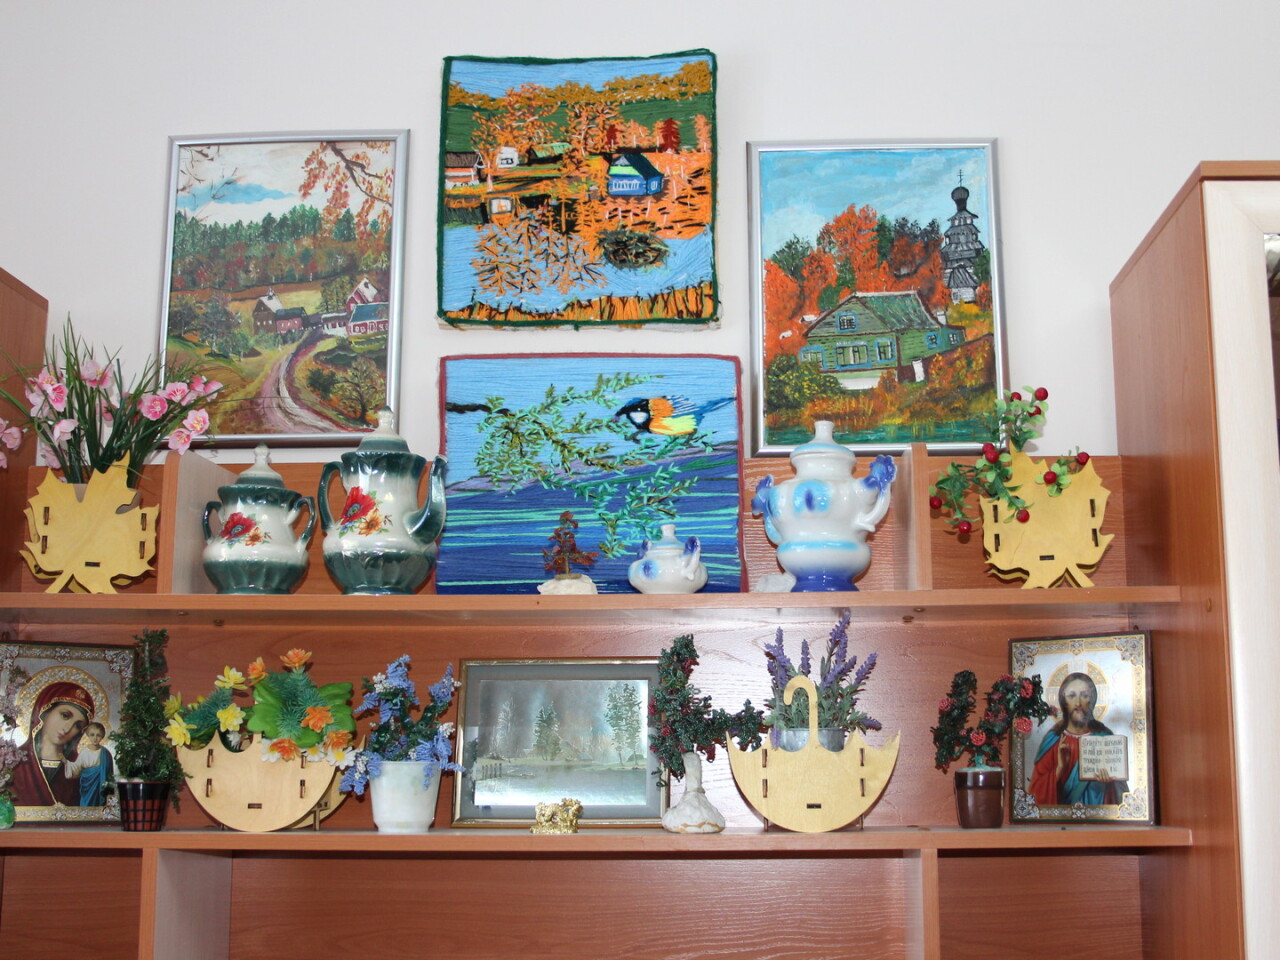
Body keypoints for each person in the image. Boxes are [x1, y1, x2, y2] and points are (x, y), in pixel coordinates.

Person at [1029, 672, 1129, 806]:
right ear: (1064, 702)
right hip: (1061, 817)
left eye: (1084, 695)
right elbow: (1035, 794)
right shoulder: (1053, 740)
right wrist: (1059, 769)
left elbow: (1123, 797)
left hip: (1099, 814)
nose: (1078, 703)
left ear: (1091, 700)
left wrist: (1110, 782)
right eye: (1071, 696)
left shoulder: (1105, 738)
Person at [11, 680, 94, 806]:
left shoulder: (79, 768)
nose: (67, 729)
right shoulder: (14, 762)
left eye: (78, 725)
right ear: (44, 711)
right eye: (65, 715)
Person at [64, 720, 113, 807]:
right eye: (92, 735)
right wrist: (66, 762)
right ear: (88, 736)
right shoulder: (84, 752)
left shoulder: (106, 753)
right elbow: (77, 768)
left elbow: (109, 774)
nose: (95, 738)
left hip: (100, 786)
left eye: (98, 735)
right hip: (87, 785)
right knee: (86, 806)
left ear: (102, 736)